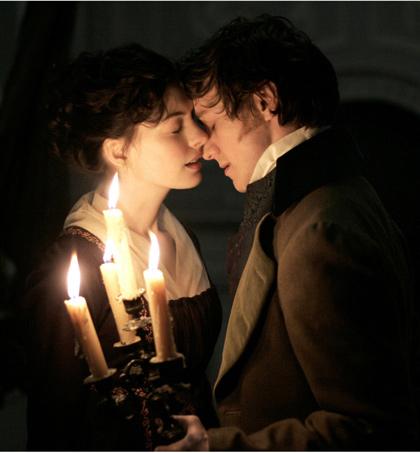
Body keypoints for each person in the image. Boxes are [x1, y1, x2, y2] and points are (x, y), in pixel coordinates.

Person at [160, 14, 420, 450]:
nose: (205, 146)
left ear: (265, 101)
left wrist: (216, 447)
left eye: (211, 122)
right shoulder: (329, 196)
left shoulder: (318, 229)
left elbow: (364, 428)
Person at [21, 43, 222, 450]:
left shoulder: (182, 237)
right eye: (175, 128)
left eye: (194, 119)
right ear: (118, 149)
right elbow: (53, 421)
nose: (200, 137)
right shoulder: (76, 262)